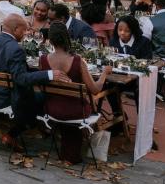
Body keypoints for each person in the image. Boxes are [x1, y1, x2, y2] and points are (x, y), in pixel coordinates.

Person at [0, 14, 67, 147]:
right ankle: (12, 135)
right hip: (5, 98)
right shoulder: (16, 48)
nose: (25, 34)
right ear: (16, 29)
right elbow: (21, 79)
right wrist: (49, 74)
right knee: (41, 98)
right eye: (24, 30)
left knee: (6, 91)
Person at [39, 22, 113, 164]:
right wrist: (104, 73)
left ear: (51, 40)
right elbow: (95, 89)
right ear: (67, 38)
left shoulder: (43, 60)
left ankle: (66, 152)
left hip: (52, 109)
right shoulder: (77, 61)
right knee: (88, 100)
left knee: (67, 102)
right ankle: (71, 155)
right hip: (76, 111)